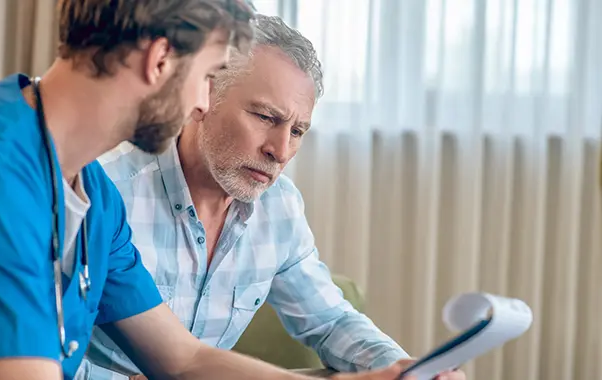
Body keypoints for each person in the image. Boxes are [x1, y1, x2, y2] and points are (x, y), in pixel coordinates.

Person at [0, 1, 421, 380]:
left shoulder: (94, 196)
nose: (202, 101)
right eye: (207, 75)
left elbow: (182, 359)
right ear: (160, 61)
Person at [88, 14, 466, 380]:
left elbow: (330, 321)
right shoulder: (106, 189)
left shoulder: (279, 206)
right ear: (205, 93)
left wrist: (404, 370)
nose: (281, 151)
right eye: (266, 117)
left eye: (298, 131)